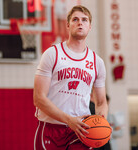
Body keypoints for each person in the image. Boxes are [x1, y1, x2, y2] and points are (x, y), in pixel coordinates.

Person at [33, 5, 108, 150]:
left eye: (84, 20)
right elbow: (38, 98)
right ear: (68, 25)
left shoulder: (97, 62)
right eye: (75, 19)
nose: (80, 23)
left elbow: (101, 102)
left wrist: (100, 122)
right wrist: (69, 120)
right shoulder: (52, 54)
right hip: (51, 129)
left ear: (90, 26)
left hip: (81, 130)